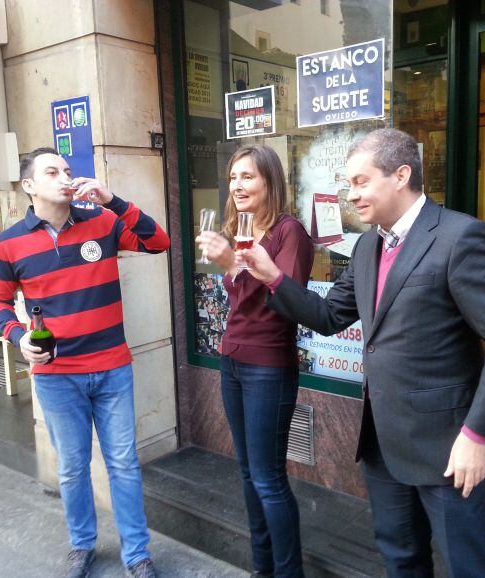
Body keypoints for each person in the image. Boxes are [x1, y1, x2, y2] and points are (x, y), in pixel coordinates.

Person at [241, 129, 485, 577]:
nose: (351, 194)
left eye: (361, 182)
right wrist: (272, 278)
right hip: (382, 442)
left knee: (469, 566)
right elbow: (326, 316)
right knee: (400, 558)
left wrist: (477, 434)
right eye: (348, 184)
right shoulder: (367, 246)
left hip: (447, 444)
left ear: (402, 175)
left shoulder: (461, 237)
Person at [0, 147, 169, 578]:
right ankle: (82, 544)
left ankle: (137, 553)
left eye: (68, 169)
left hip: (111, 367)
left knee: (123, 463)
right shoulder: (8, 242)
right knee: (71, 468)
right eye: (52, 171)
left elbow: (157, 242)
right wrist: (17, 336)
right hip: (56, 376)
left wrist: (113, 201)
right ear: (29, 185)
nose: (65, 176)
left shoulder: (102, 222)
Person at [197, 145, 314, 578]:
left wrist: (231, 262)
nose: (237, 185)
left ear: (269, 181)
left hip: (268, 364)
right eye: (232, 177)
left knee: (268, 479)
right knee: (247, 474)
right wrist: (231, 262)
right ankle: (262, 568)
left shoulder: (290, 233)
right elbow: (240, 302)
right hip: (233, 358)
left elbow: (285, 303)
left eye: (247, 176)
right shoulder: (241, 229)